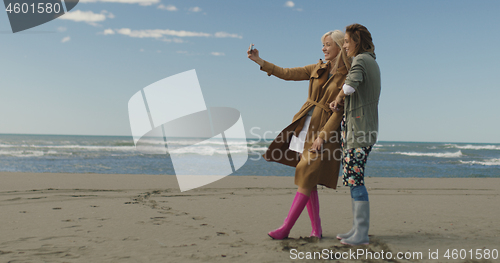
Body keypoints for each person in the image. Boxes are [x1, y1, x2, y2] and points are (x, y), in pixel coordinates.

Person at [247, 30, 350, 239]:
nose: (324, 48)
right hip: (303, 127)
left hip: (324, 132)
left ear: (340, 47)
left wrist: (322, 136)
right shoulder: (316, 68)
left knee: (305, 174)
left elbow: (339, 113)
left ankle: (285, 228)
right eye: (323, 44)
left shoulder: (348, 76)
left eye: (328, 44)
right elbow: (286, 73)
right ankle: (316, 230)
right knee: (308, 178)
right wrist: (259, 60)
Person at [330, 23, 381, 246]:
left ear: (357, 42)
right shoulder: (372, 61)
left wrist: (338, 98)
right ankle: (357, 229)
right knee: (353, 178)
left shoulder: (361, 61)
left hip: (359, 131)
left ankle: (361, 233)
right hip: (359, 129)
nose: (345, 46)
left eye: (347, 42)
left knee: (356, 179)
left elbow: (350, 87)